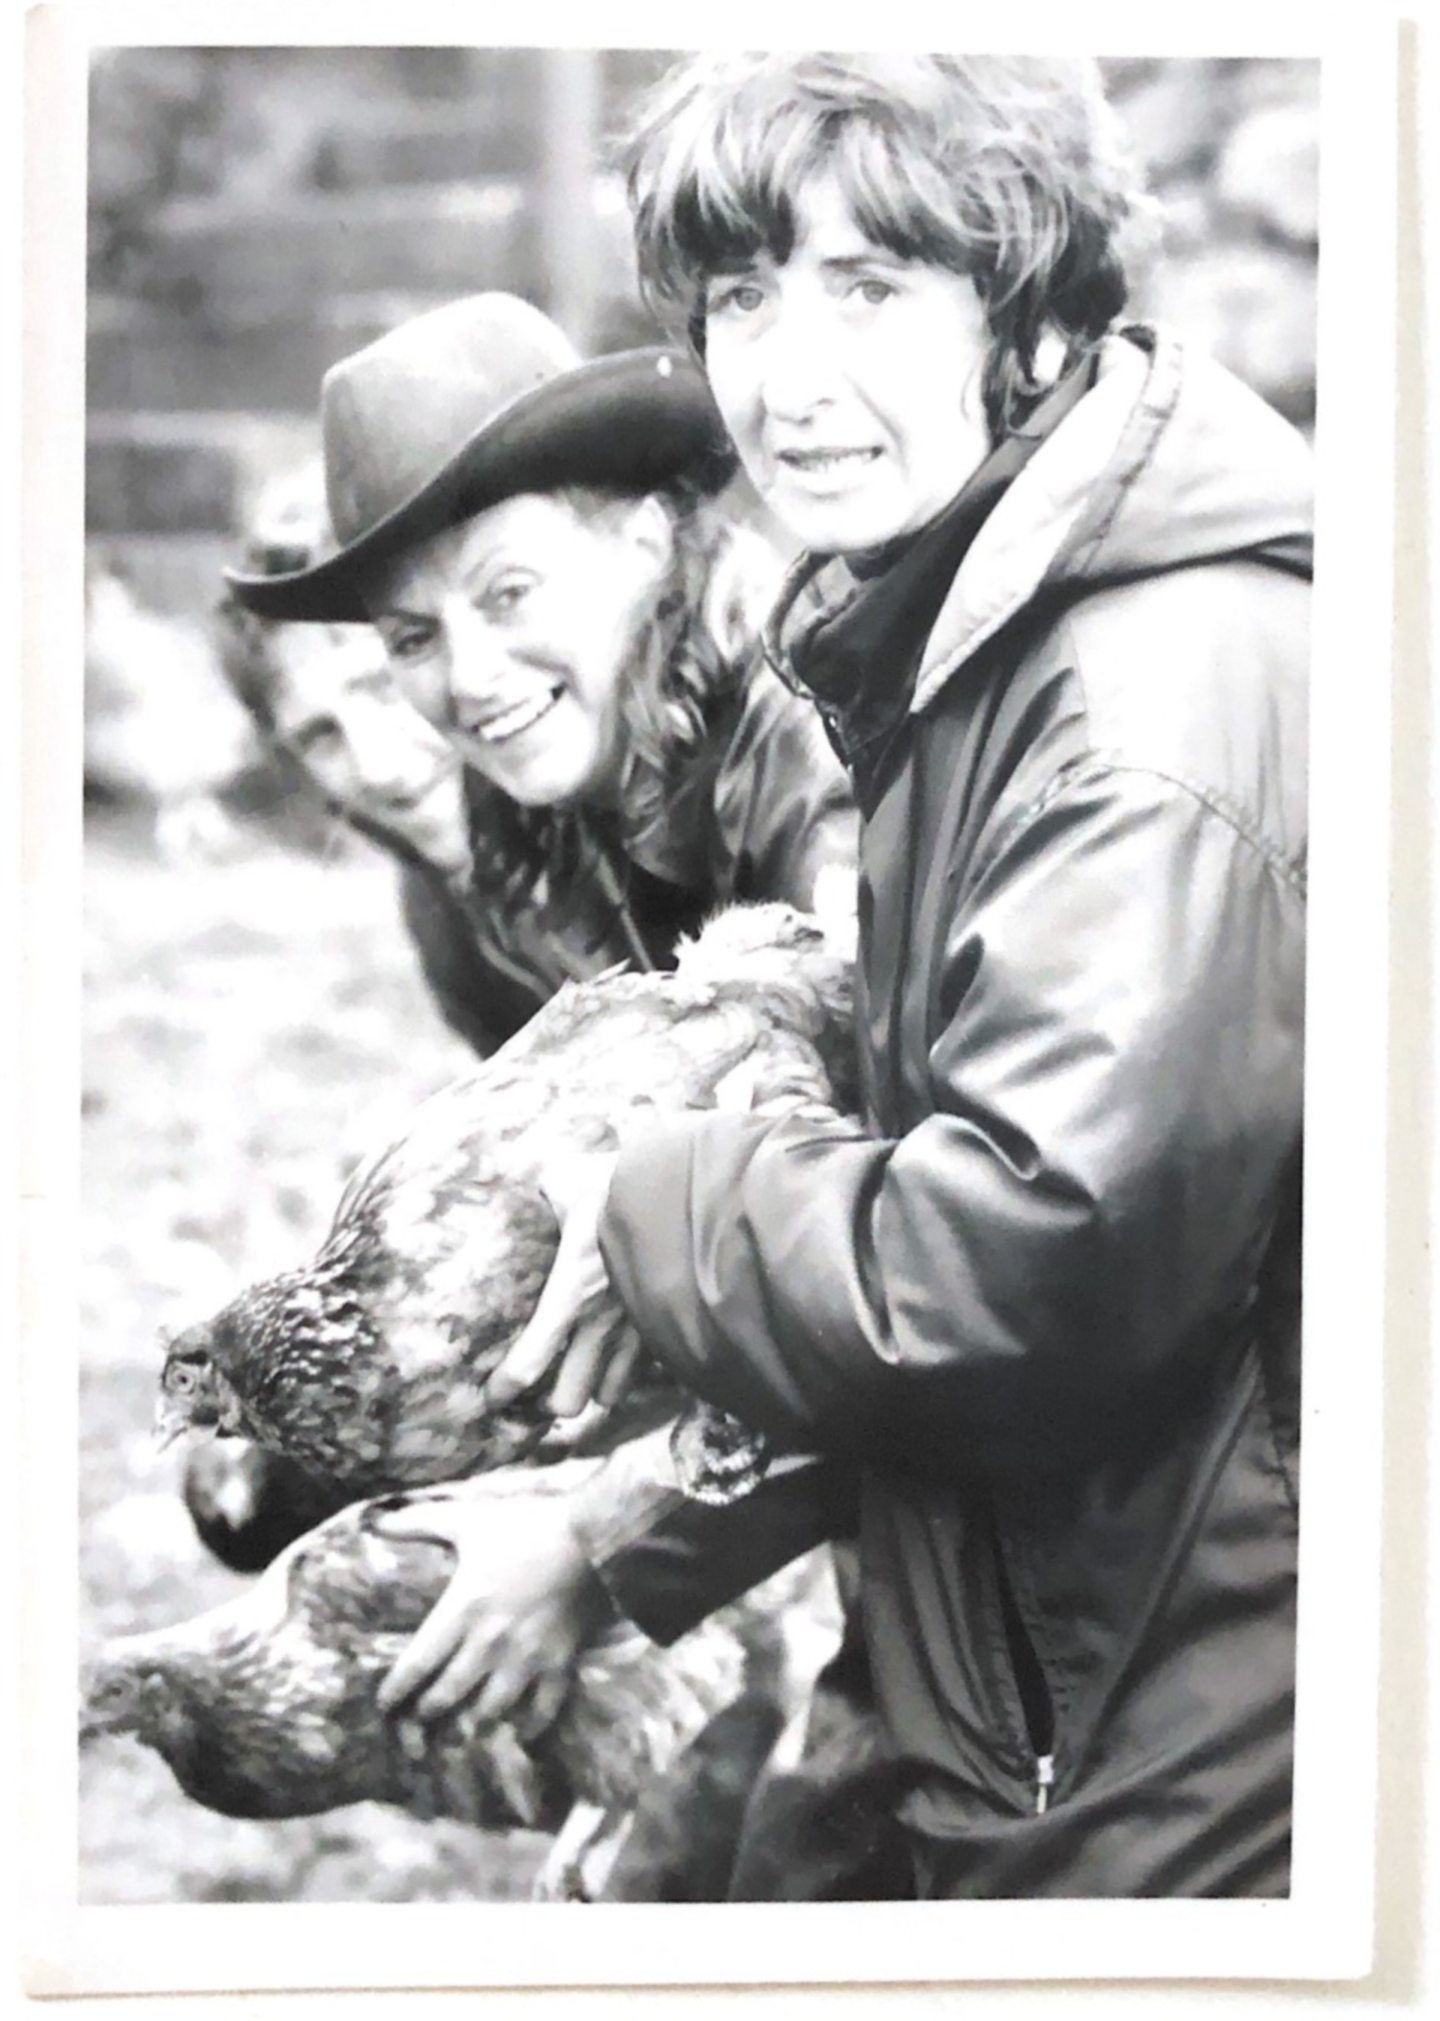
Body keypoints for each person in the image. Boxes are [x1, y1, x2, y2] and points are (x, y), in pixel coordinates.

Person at [480, 53, 1311, 1900]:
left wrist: (646, 1200)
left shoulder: (1130, 711)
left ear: (1025, 306)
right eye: (743, 297)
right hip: (1034, 1656)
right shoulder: (969, 624)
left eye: (869, 287)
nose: (783, 376)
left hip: (1184, 1754)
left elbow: (1021, 1279)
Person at [223, 290, 872, 1895]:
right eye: (412, 638)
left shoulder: (816, 758)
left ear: (651, 534)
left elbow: (911, 1242)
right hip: (878, 1427)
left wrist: (607, 1546)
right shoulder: (566, 815)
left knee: (799, 1871)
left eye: (508, 592)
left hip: (1137, 1469)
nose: (467, 677)